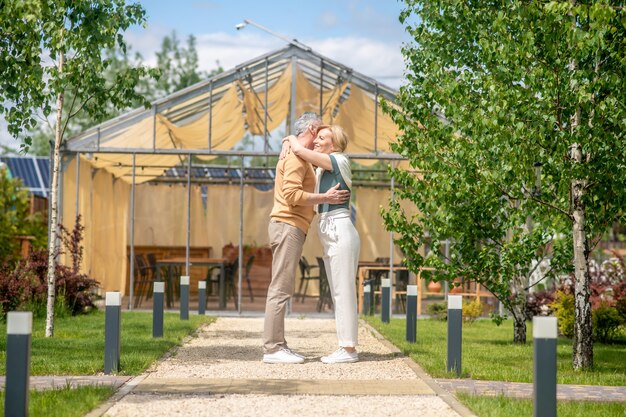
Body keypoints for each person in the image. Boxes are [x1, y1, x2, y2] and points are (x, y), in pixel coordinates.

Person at [263, 112, 350, 364]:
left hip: (292, 226)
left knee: (283, 286)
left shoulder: (297, 153)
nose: (322, 135)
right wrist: (325, 198)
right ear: (312, 128)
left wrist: (289, 139)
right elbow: (291, 195)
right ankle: (272, 348)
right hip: (287, 225)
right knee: (280, 288)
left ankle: (278, 344)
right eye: (320, 130)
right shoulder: (295, 158)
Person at [281, 124, 361, 364]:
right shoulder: (324, 168)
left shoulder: (339, 160)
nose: (316, 140)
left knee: (343, 291)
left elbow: (303, 152)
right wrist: (288, 144)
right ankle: (345, 346)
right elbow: (302, 157)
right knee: (338, 291)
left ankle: (348, 350)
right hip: (330, 231)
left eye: (322, 138)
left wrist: (290, 139)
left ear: (334, 144)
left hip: (339, 229)